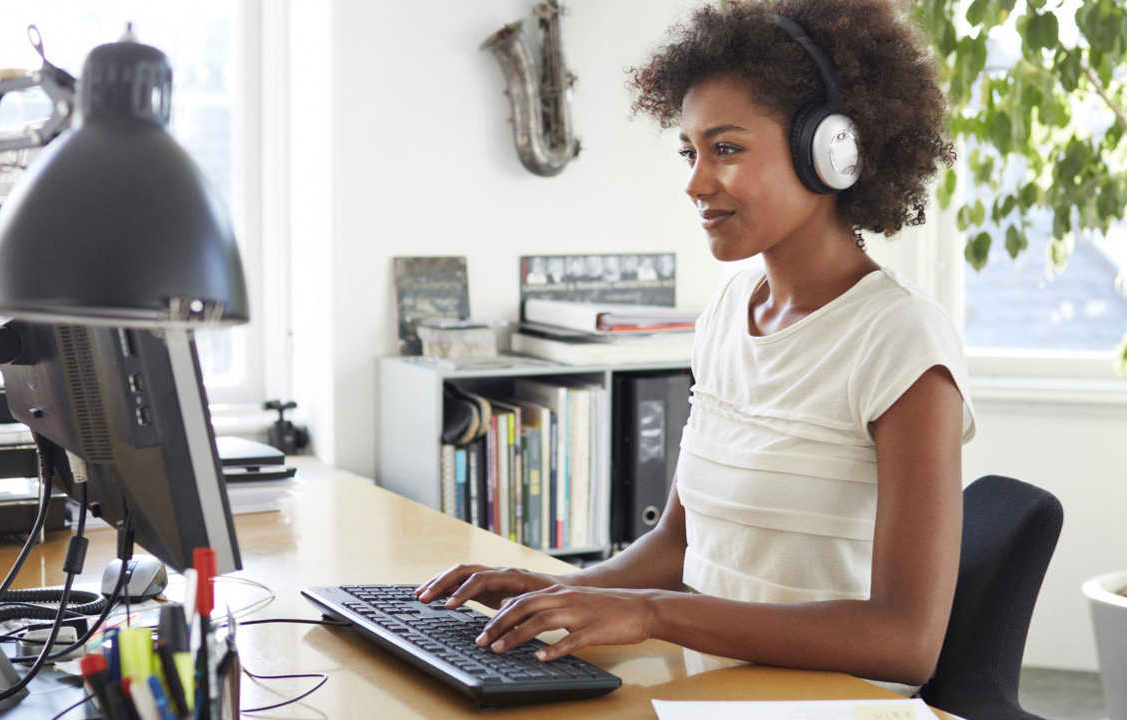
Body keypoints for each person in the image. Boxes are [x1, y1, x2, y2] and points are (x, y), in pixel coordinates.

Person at [415, 0, 975, 695]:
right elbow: (680, 546)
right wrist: (562, 592)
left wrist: (652, 615)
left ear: (830, 151)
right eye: (690, 151)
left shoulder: (901, 341)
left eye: (727, 149)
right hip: (712, 688)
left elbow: (905, 642)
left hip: (831, 705)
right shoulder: (728, 313)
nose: (695, 182)